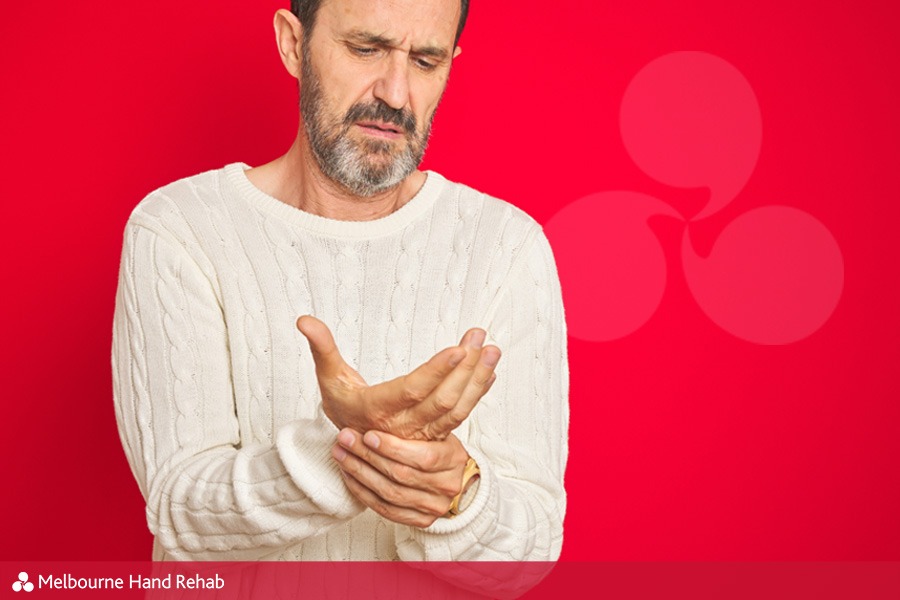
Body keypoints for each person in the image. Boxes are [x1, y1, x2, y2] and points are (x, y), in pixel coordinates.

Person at [112, 0, 569, 565]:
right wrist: (354, 448)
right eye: (366, 49)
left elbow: (533, 547)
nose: (397, 95)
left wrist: (460, 496)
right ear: (293, 44)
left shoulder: (506, 246)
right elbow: (180, 513)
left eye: (426, 61)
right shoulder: (181, 228)